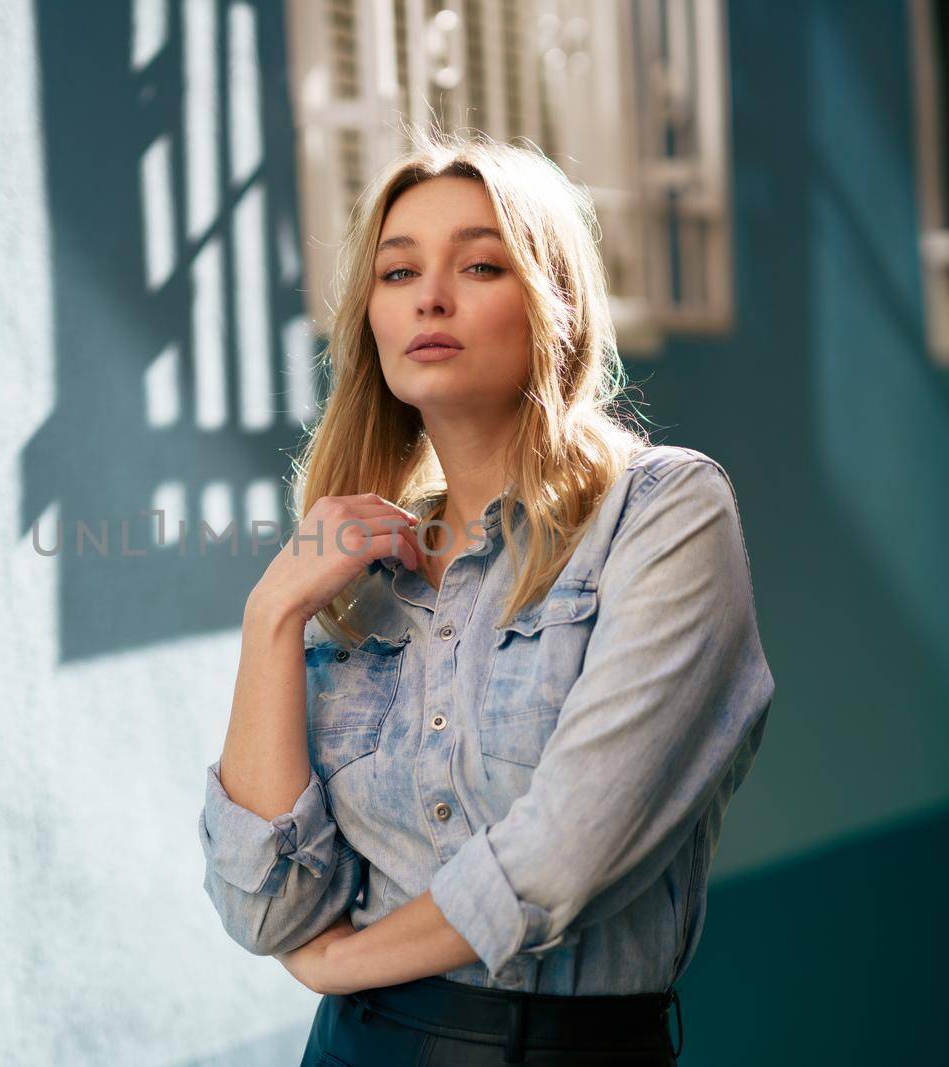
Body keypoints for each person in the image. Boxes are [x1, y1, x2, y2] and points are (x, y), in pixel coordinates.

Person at [197, 128, 774, 1066]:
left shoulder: (663, 512)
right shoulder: (357, 565)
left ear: (552, 302)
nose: (430, 296)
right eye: (396, 273)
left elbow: (564, 854)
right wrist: (272, 619)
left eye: (479, 264)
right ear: (370, 321)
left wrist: (343, 964)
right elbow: (266, 905)